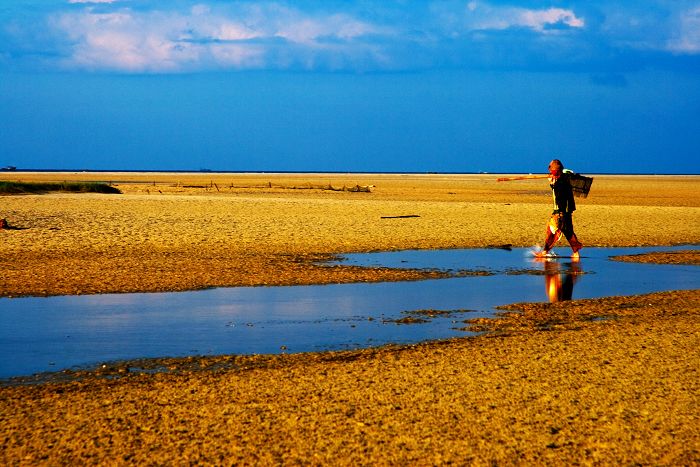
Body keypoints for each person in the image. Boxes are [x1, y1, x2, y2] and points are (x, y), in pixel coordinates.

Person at [536, 159, 583, 259]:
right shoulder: (563, 179)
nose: (550, 172)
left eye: (552, 171)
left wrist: (553, 184)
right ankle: (576, 253)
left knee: (552, 230)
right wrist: (553, 183)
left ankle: (545, 251)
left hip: (561, 211)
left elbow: (559, 194)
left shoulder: (562, 181)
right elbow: (557, 191)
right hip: (566, 211)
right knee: (568, 231)